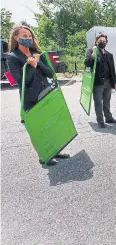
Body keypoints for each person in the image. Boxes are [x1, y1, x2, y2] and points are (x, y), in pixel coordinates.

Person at [6, 25, 70, 165]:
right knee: (37, 128)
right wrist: (31, 67)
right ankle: (43, 156)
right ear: (16, 38)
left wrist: (38, 63)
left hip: (46, 93)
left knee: (51, 124)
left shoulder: (38, 53)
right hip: (30, 98)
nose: (28, 39)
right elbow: (20, 81)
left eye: (29, 36)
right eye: (24, 36)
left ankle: (56, 150)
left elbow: (50, 73)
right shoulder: (12, 57)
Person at [84, 33, 116, 128]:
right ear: (96, 42)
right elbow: (87, 63)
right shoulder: (91, 51)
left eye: (104, 41)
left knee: (107, 101)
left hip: (108, 82)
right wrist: (93, 54)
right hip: (97, 83)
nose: (102, 42)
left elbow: (112, 69)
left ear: (106, 42)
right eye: (100, 41)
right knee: (98, 102)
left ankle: (109, 118)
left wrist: (114, 82)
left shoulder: (109, 55)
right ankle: (100, 120)